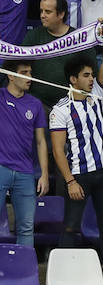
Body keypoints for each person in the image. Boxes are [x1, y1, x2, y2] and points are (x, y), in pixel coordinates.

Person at [49, 46, 103, 269]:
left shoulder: (96, 95)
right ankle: (63, 273)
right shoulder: (60, 110)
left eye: (92, 75)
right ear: (73, 79)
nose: (91, 79)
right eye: (86, 75)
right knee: (71, 226)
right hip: (79, 176)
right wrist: (70, 181)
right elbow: (58, 150)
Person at [0, 60, 48, 247]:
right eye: (24, 73)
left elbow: (41, 141)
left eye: (30, 72)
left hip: (26, 172)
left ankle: (25, 273)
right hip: (1, 168)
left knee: (26, 227)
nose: (30, 77)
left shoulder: (35, 104)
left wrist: (44, 174)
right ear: (11, 76)